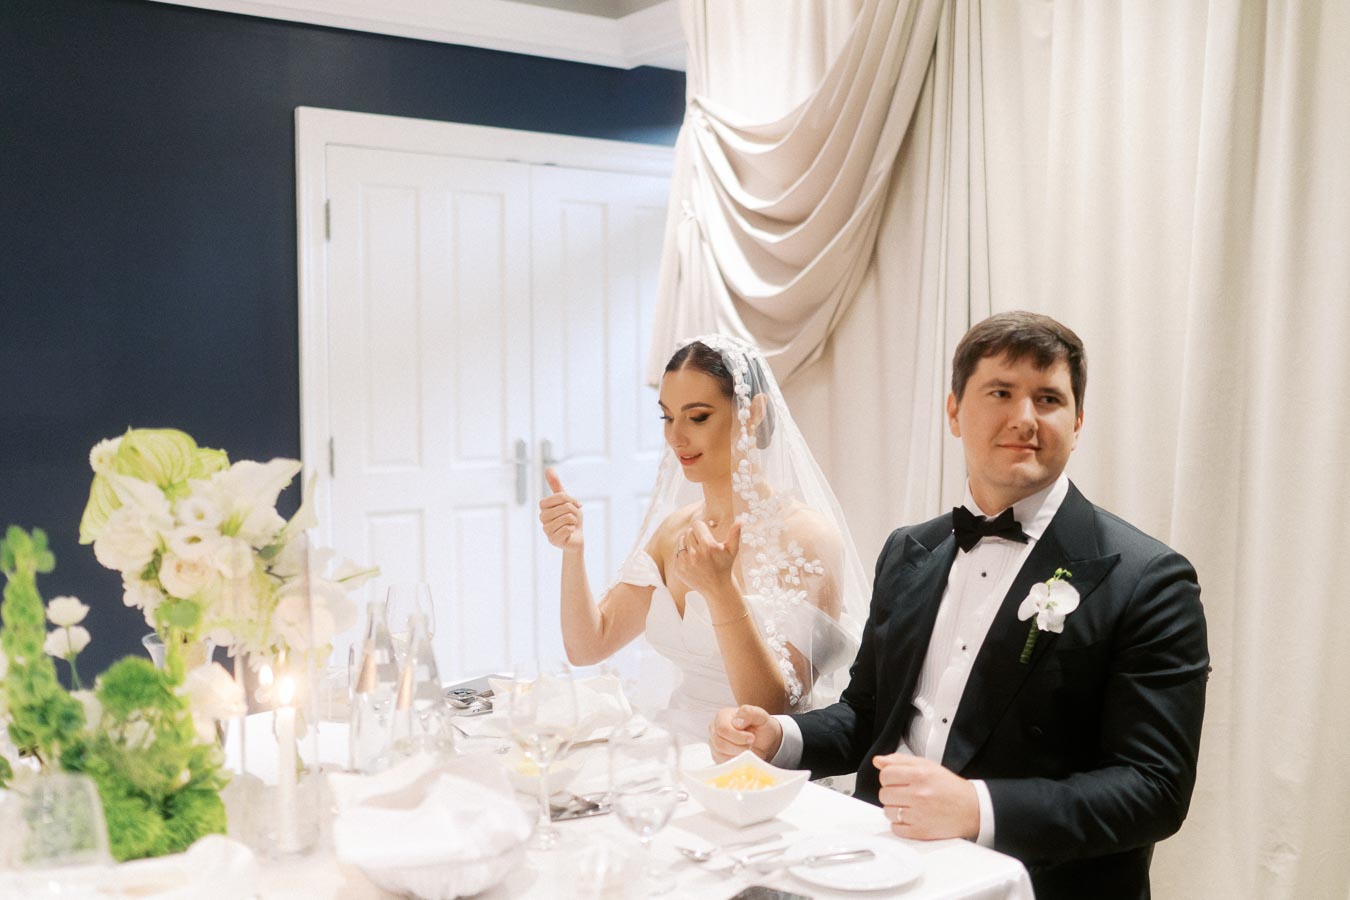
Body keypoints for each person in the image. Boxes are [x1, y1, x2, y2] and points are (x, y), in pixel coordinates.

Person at [709, 312, 1209, 899]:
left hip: (1029, 881)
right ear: (954, 411)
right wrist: (780, 737)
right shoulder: (908, 550)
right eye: (1001, 392)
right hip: (879, 860)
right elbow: (869, 714)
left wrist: (976, 807)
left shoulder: (1149, 579)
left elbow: (1153, 790)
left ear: (1077, 423)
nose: (1024, 418)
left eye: (1048, 398)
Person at [539, 334, 869, 738]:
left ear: (752, 412)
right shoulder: (673, 530)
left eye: (697, 417)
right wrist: (573, 552)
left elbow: (776, 709)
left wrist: (719, 590)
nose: (675, 437)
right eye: (667, 417)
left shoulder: (807, 538)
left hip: (755, 766)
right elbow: (589, 646)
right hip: (670, 752)